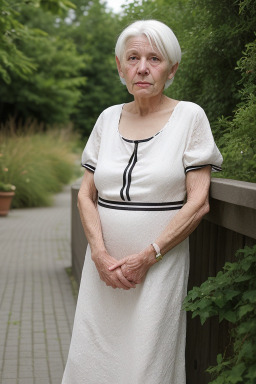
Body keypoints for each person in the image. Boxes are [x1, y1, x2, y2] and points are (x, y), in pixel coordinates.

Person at [62, 20, 223, 384]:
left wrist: (148, 255)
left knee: (147, 366)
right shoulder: (107, 118)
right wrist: (100, 256)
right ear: (120, 67)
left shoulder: (190, 117)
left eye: (154, 58)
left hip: (158, 266)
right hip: (101, 268)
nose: (142, 68)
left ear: (172, 68)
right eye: (132, 58)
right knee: (91, 360)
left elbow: (198, 202)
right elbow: (86, 196)